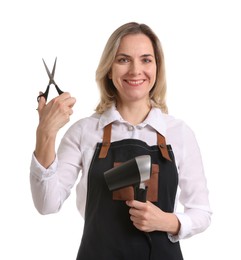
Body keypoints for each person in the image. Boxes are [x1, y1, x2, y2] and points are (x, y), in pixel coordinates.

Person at [30, 22, 212, 260]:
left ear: (157, 67)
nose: (136, 70)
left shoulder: (179, 133)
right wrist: (45, 133)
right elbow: (47, 204)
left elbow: (202, 213)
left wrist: (167, 221)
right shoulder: (85, 131)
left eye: (146, 59)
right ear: (109, 68)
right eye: (123, 59)